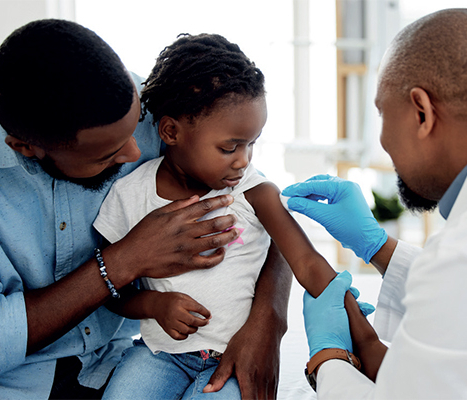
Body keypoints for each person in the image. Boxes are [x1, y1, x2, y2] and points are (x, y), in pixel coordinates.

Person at [0, 19, 292, 400]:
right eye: (108, 156)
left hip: (121, 359)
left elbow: (265, 207)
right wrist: (125, 261)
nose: (136, 153)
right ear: (25, 146)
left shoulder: (150, 105)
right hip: (24, 383)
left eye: (138, 127)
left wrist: (269, 319)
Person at [93, 33, 378, 399]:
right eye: (229, 147)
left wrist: (366, 341)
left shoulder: (254, 190)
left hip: (233, 358)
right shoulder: (129, 195)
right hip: (159, 355)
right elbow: (109, 287)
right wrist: (153, 304)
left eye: (252, 144)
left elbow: (306, 262)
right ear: (171, 131)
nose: (243, 160)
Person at [282, 7, 467, 399]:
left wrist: (327, 358)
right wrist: (379, 248)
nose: (381, 140)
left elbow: (464, 278)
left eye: (381, 114)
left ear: (421, 113)